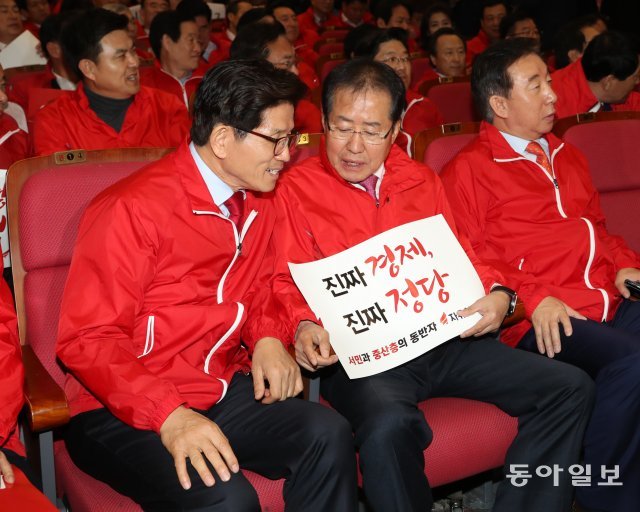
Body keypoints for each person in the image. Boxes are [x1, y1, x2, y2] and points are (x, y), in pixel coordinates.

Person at [268, 57, 594, 512]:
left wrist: (501, 295)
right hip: (364, 357)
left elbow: (464, 255)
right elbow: (282, 280)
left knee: (569, 387)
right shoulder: (292, 190)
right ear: (322, 122)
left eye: (373, 130)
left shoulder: (421, 180)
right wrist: (301, 326)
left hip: (443, 338)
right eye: (342, 127)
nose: (354, 147)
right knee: (387, 425)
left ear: (397, 128)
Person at [56, 59, 358, 512]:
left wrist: (270, 337)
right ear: (221, 139)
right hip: (118, 407)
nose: (287, 154)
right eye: (276, 140)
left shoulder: (258, 201)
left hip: (213, 384)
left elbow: (261, 290)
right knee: (227, 498)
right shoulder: (131, 210)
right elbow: (87, 339)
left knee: (328, 433)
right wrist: (169, 416)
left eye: (290, 138)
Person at [441, 38, 640, 511]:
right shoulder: (467, 171)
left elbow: (597, 232)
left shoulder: (567, 155)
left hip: (602, 298)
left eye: (549, 82)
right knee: (632, 365)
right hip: (540, 316)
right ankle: (606, 498)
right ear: (500, 103)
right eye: (537, 85)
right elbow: (471, 261)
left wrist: (624, 263)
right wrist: (532, 297)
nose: (553, 95)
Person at [32, 9, 189, 156]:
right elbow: (58, 183)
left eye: (133, 51)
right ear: (89, 69)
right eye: (121, 56)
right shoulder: (54, 121)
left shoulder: (167, 109)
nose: (134, 62)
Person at [354, 28, 443, 155]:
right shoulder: (356, 112)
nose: (402, 67)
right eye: (392, 59)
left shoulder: (425, 106)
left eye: (405, 58)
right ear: (369, 66)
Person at [230, 21, 322, 133]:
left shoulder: (304, 114)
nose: (296, 72)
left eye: (295, 63)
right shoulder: (226, 116)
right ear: (254, 69)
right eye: (287, 63)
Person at [551, 30, 640, 118]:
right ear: (608, 82)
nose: (638, 81)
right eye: (636, 77)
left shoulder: (611, 90)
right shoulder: (554, 108)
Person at [8, 12, 78, 111]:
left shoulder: (99, 80)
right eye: (76, 42)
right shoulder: (26, 89)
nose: (85, 49)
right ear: (54, 49)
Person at [142, 10, 204, 109]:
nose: (198, 49)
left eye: (198, 40)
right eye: (191, 40)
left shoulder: (210, 80)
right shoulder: (143, 86)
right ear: (167, 42)